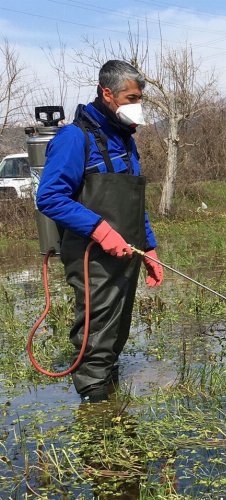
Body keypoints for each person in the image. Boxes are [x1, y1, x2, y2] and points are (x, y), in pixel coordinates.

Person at [36, 60, 163, 403]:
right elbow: (49, 197)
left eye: (140, 98)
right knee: (97, 329)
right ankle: (95, 411)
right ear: (107, 93)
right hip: (93, 254)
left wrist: (148, 247)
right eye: (131, 97)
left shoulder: (125, 140)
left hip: (127, 252)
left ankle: (110, 391)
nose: (137, 105)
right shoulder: (74, 138)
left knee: (117, 328)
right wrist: (100, 230)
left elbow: (134, 201)